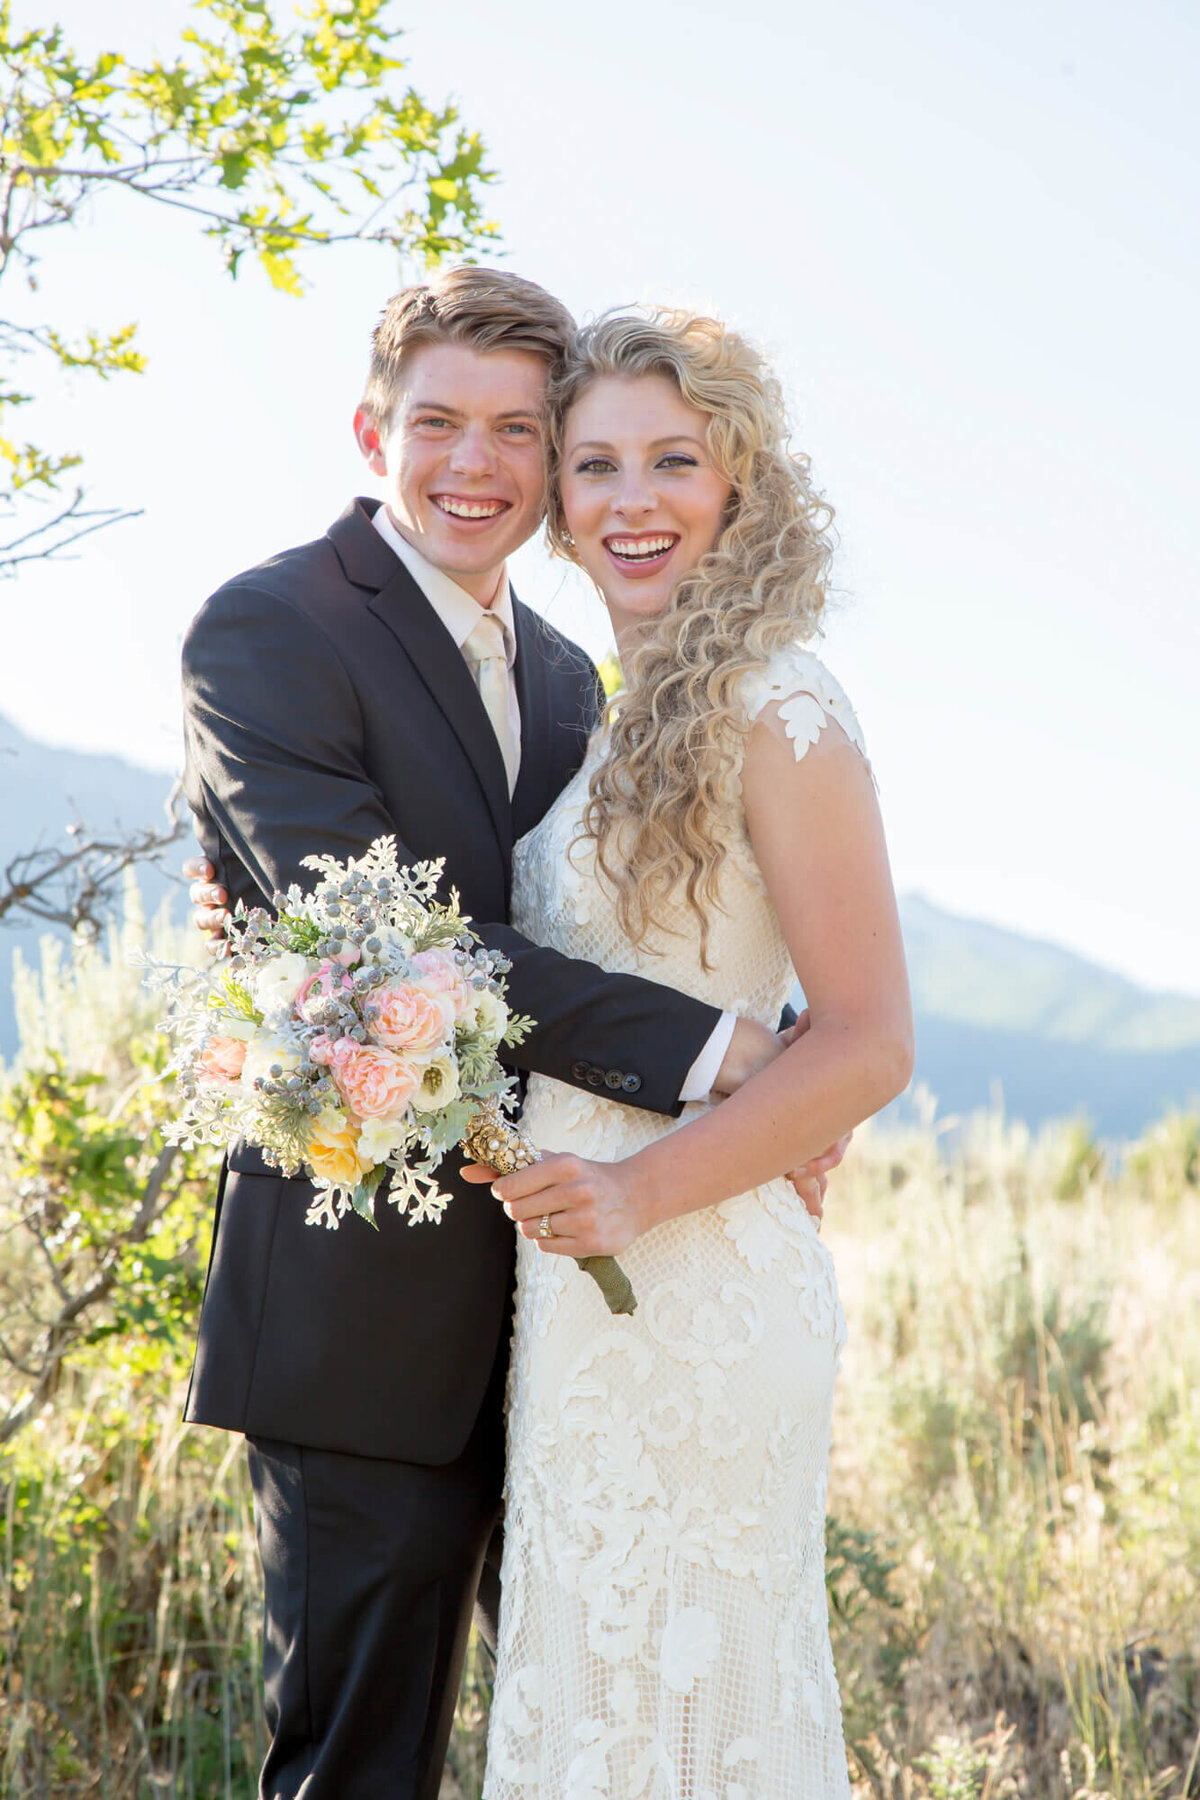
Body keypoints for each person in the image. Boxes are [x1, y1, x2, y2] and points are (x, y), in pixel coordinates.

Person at [179, 268, 841, 1800]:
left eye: (515, 431)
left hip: (582, 1320)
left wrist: (806, 1055)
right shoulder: (268, 627)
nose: (474, 465)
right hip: (361, 1313)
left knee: (596, 1731)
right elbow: (391, 946)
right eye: (436, 425)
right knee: (362, 1766)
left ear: (545, 464)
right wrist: (721, 1054)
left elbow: (645, 900)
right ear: (372, 430)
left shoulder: (571, 674)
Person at [459, 309, 914, 1799]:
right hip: (580, 1300)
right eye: (594, 466)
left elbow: (865, 1039)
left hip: (697, 1278)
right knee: (594, 1702)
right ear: (559, 508)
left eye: (673, 460)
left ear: (740, 482)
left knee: (695, 1708)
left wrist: (648, 1192)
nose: (631, 499)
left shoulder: (777, 703)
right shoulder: (606, 713)